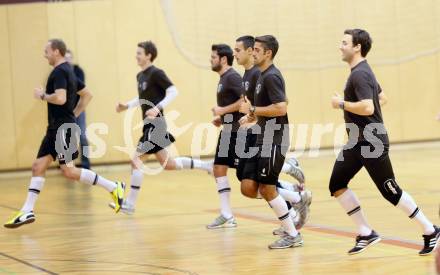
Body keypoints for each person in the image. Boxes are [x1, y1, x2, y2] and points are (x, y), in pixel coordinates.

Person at [329, 29, 439, 255]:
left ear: (357, 46)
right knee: (337, 184)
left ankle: (430, 231)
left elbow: (369, 106)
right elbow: (382, 98)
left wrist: (341, 104)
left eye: (344, 42)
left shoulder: (360, 74)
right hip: (356, 141)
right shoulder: (361, 72)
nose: (340, 46)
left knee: (390, 190)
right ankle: (366, 232)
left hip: (371, 140)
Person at [4, 39, 125, 228]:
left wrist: (43, 96)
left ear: (56, 52)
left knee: (68, 171)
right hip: (55, 128)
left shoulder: (60, 72)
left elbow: (60, 98)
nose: (44, 55)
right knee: (38, 166)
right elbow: (87, 94)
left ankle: (113, 187)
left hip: (62, 129)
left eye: (47, 51)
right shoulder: (68, 70)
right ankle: (27, 211)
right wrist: (74, 115)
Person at [110, 41, 212, 215]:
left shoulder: (157, 73)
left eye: (139, 53)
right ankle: (207, 165)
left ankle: (130, 204)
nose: (136, 56)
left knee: (136, 161)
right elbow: (142, 97)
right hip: (149, 125)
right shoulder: (140, 76)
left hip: (156, 124)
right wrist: (126, 106)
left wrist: (157, 108)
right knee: (169, 164)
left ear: (149, 55)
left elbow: (173, 91)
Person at [238, 35, 308, 249]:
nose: (253, 52)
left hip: (275, 139)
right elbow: (266, 110)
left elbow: (281, 107)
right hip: (262, 137)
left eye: (257, 49)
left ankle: (293, 234)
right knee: (251, 187)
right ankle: (296, 202)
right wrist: (251, 119)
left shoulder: (271, 76)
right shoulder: (262, 76)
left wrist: (252, 110)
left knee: (268, 189)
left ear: (268, 53)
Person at [65, 49, 90, 169]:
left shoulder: (78, 71)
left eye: (69, 57)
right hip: (66, 110)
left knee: (82, 136)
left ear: (72, 58)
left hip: (79, 109)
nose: (67, 60)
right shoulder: (60, 73)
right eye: (65, 58)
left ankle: (86, 164)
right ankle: (69, 165)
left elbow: (78, 88)